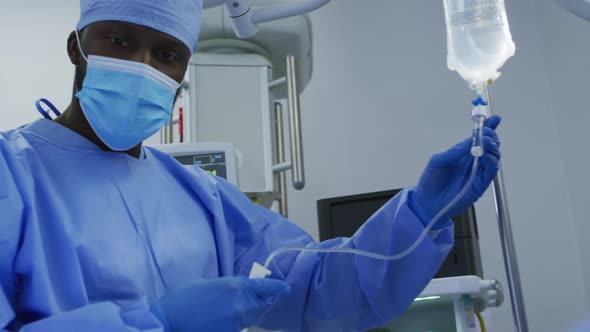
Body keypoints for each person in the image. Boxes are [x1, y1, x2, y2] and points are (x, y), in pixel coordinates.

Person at [0, 0, 502, 331]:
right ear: (76, 46)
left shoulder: (205, 198)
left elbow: (315, 287)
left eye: (168, 54)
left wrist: (422, 213)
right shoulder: (12, 173)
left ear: (181, 74)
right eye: (121, 42)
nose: (144, 66)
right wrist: (155, 322)